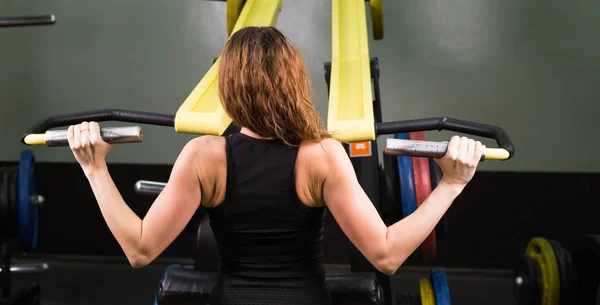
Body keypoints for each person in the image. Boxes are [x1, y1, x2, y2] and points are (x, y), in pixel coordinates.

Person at [66, 26, 483, 305]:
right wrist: (452, 182)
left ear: (228, 89)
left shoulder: (204, 156)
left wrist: (94, 168)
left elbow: (140, 249)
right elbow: (386, 256)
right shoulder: (321, 156)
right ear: (294, 82)